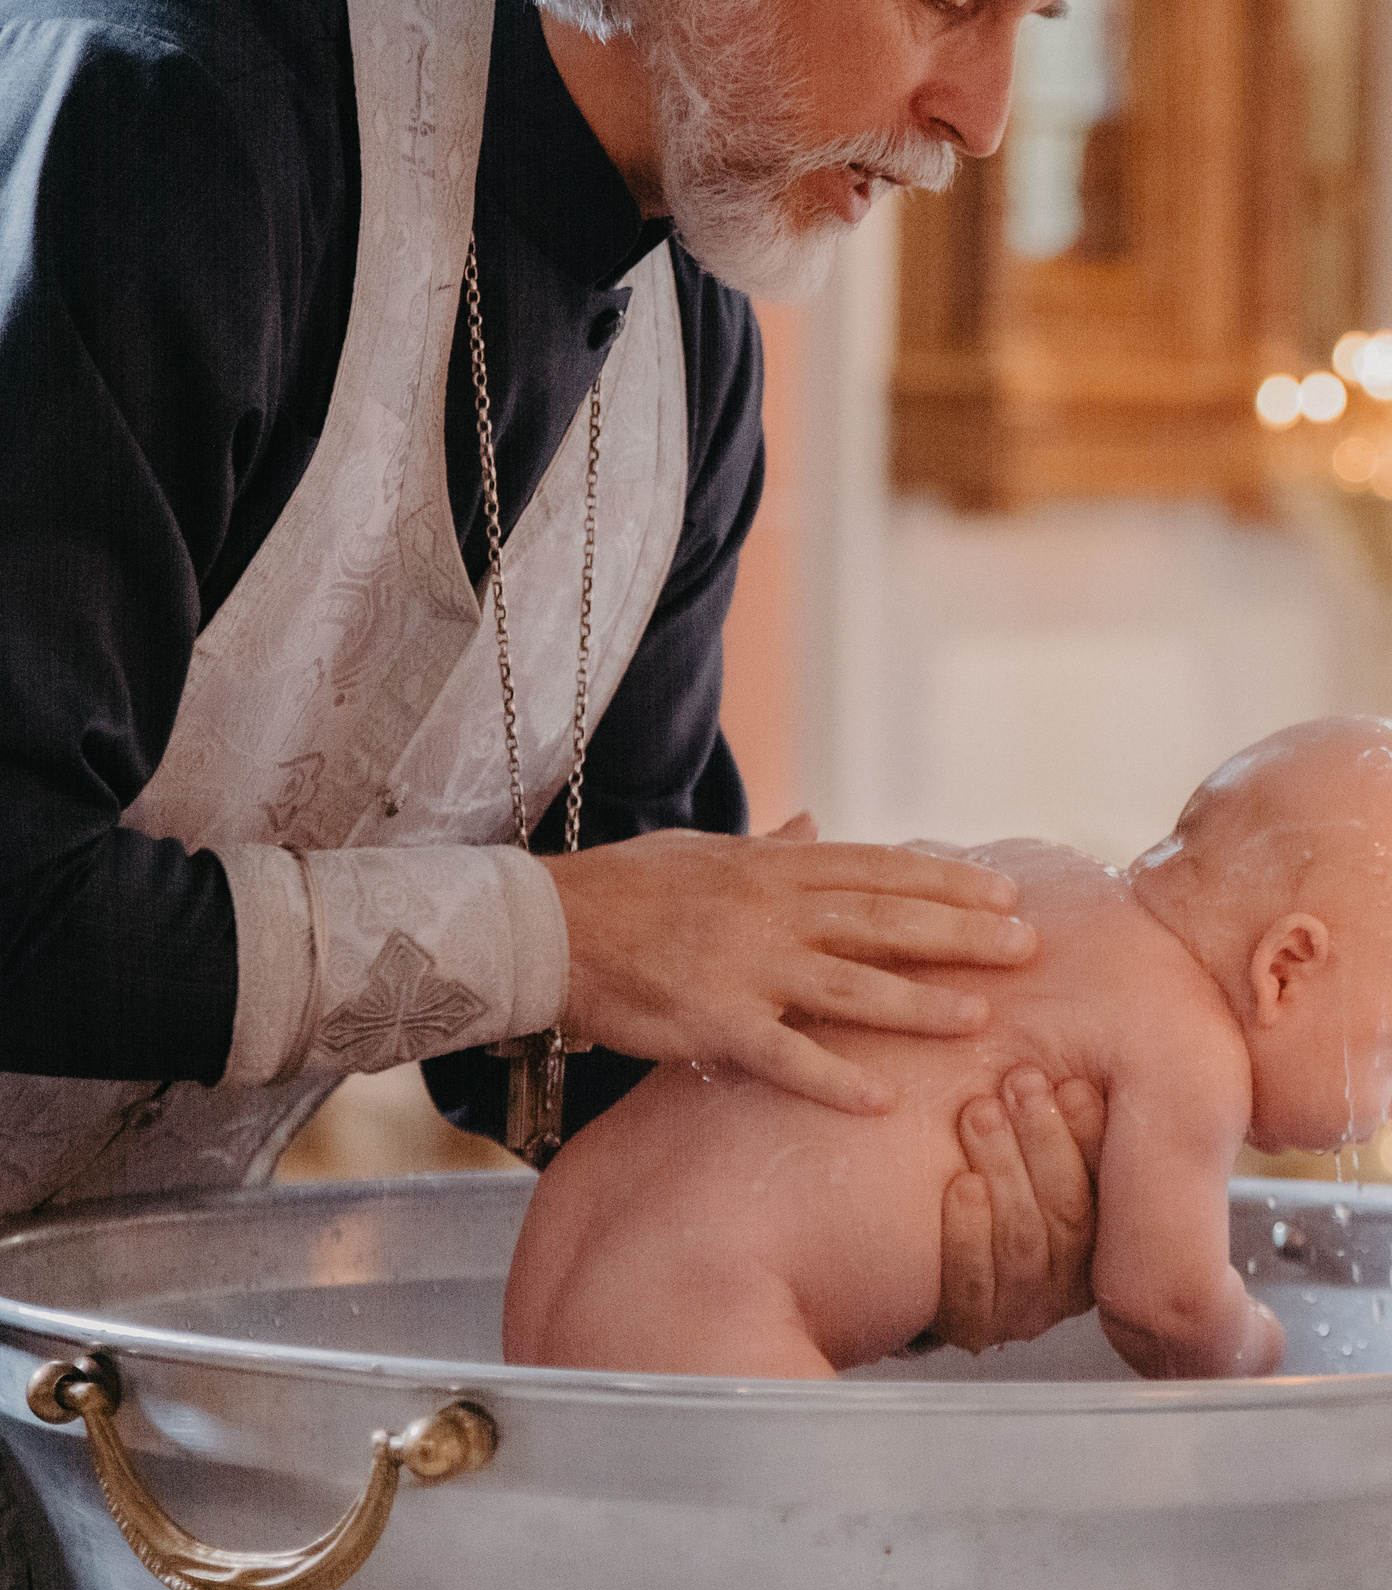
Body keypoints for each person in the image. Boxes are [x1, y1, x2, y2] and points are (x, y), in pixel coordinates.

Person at [0, 0, 1107, 1324]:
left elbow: (597, 1055)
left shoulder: (695, 348)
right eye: (948, 6)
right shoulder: (178, 116)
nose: (981, 120)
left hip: (106, 1365)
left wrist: (919, 1189)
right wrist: (557, 937)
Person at [504, 718, 1392, 1380]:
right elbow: (1162, 1304)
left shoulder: (1034, 877)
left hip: (572, 1211)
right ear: (1286, 968)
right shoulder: (1192, 1049)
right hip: (722, 1312)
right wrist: (1257, 1346)